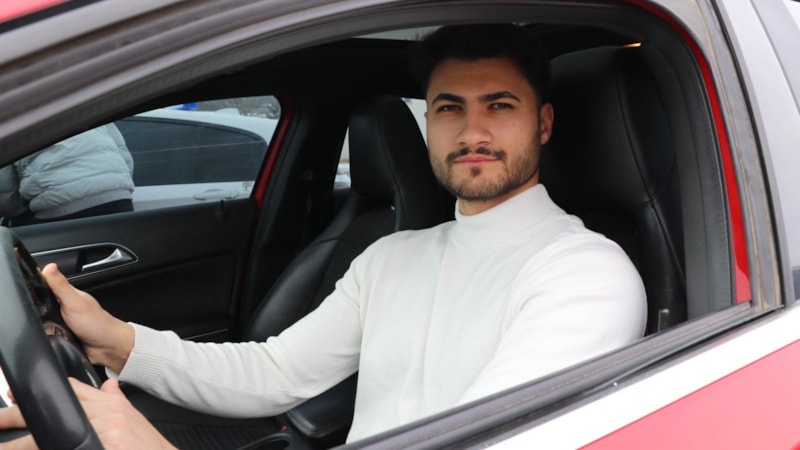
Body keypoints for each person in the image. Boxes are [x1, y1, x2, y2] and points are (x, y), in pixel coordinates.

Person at [0, 24, 646, 449]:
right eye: (450, 107)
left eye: (499, 106)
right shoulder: (393, 255)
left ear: (544, 124)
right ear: (428, 123)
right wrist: (119, 340)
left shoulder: (585, 274)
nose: (472, 131)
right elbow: (276, 372)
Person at [0, 123, 134, 226]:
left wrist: (17, 211)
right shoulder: (80, 99)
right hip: (118, 198)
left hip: (58, 204)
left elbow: (6, 188)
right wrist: (119, 186)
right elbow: (123, 154)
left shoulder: (12, 116)